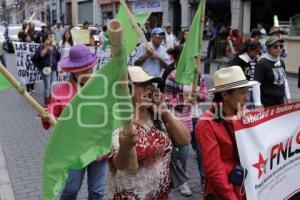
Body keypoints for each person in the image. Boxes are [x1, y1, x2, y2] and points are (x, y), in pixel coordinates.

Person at [107, 66, 191, 199]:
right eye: (142, 85)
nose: (149, 89)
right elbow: (120, 165)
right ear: (126, 91)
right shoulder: (116, 121)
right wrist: (125, 147)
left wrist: (165, 112)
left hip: (161, 194)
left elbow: (185, 140)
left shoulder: (158, 116)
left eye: (150, 85)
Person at [40, 44, 107, 200]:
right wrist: (47, 116)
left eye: (89, 68)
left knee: (97, 192)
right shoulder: (62, 91)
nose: (87, 72)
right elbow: (51, 113)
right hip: (73, 150)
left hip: (97, 148)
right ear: (73, 71)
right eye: (82, 69)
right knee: (71, 189)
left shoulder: (102, 87)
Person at [196, 65, 257, 200]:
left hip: (245, 187)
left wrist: (246, 124)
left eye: (246, 92)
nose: (246, 98)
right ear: (225, 95)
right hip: (223, 192)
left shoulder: (243, 115)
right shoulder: (206, 124)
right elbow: (214, 170)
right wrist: (231, 197)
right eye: (242, 92)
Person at [163, 47, 208, 196]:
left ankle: (204, 181)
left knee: (201, 151)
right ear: (177, 59)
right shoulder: (172, 76)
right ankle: (183, 182)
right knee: (184, 151)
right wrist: (184, 100)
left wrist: (199, 96)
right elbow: (167, 98)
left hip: (196, 116)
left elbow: (205, 94)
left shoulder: (197, 74)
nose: (190, 61)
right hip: (179, 118)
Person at [253, 36, 292, 108]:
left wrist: (288, 98)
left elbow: (284, 80)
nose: (279, 48)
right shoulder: (262, 63)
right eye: (275, 46)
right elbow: (256, 84)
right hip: (266, 103)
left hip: (280, 102)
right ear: (268, 48)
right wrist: (257, 104)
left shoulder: (281, 62)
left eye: (281, 46)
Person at [31, 32, 61, 107]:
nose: (51, 39)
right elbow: (41, 55)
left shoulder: (53, 47)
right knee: (47, 86)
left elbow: (57, 56)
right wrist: (46, 47)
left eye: (51, 37)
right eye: (49, 37)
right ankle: (47, 102)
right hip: (45, 69)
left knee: (52, 85)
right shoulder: (41, 46)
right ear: (45, 39)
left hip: (53, 69)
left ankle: (51, 100)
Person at [230, 39, 261, 107]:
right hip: (244, 90)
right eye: (256, 51)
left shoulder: (255, 59)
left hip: (254, 89)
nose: (257, 54)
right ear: (249, 49)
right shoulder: (240, 59)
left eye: (258, 52)